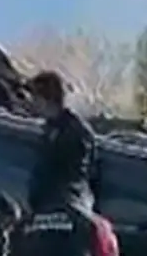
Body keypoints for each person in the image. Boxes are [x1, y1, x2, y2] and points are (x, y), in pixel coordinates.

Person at [26, 70, 97, 211]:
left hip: (67, 204)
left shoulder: (75, 131)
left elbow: (75, 174)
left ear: (46, 99)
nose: (32, 102)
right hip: (50, 202)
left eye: (35, 98)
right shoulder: (51, 127)